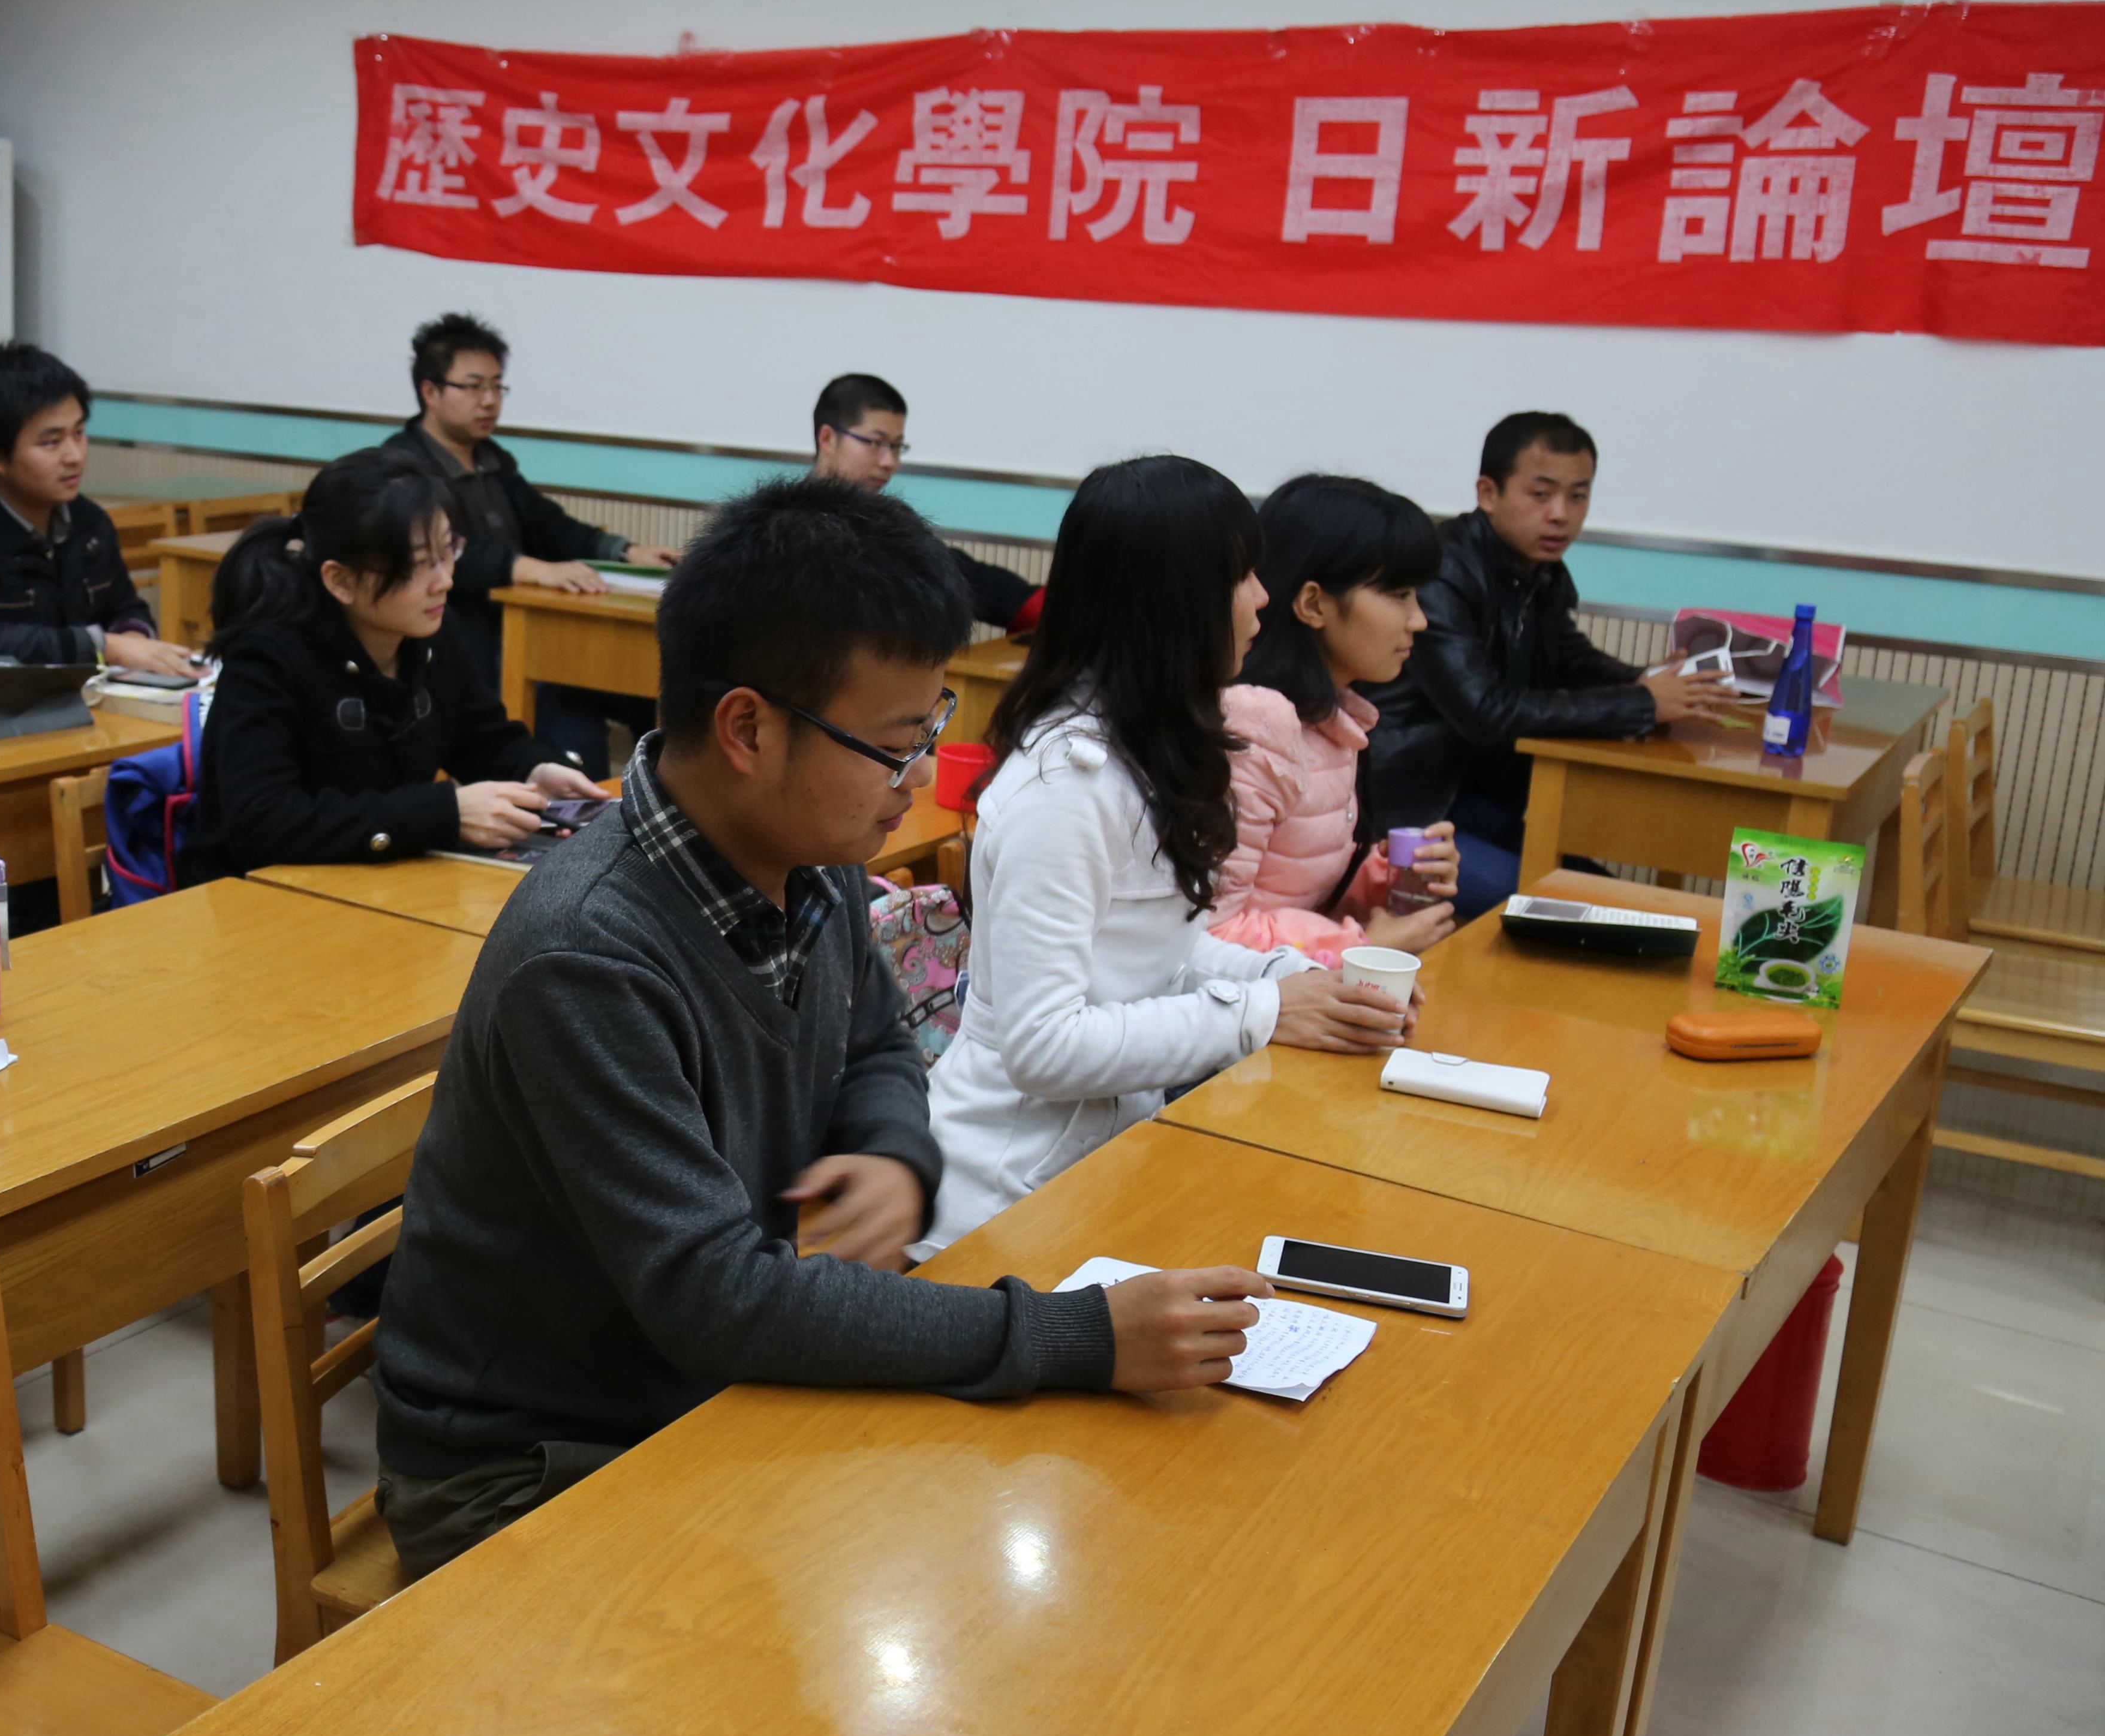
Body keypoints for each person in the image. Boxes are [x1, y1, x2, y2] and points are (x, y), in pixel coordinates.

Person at [369, 475, 1275, 1579]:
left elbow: (881, 1045)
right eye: (897, 744)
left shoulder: (809, 857)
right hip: (530, 1463)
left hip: (698, 1388)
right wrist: (1077, 1335)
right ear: (749, 729)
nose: (919, 779)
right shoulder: (587, 957)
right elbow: (720, 1301)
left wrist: (890, 1151)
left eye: (933, 727)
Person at [921, 456, 1418, 1250]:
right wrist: (1262, 1013)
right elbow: (1043, 1049)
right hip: (1001, 1209)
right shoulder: (1065, 789)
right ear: (1175, 600)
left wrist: (1300, 984)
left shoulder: (1144, 745)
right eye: (1242, 576)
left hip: (1100, 1174)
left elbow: (1161, 957)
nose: (1262, 598)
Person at [1358, 412, 1733, 916]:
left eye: (1578, 496)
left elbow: (1568, 655)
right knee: (1579, 912)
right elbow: (1485, 711)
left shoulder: (1538, 569)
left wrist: (1650, 681)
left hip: (1473, 804)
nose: (1561, 514)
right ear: (1489, 493)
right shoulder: (1441, 571)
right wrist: (1643, 703)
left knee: (1619, 901)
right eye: (1541, 494)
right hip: (1406, 814)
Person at [185, 449, 603, 884]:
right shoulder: (268, 659)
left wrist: (534, 770)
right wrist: (445, 814)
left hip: (376, 879)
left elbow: (481, 738)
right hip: (254, 894)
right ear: (340, 580)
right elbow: (263, 822)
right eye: (419, 564)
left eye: (448, 550)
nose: (445, 580)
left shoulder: (431, 631)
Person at [1213, 474, 1462, 967]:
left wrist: (1387, 879)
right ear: (1314, 604)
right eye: (1399, 594)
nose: (1418, 620)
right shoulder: (1256, 728)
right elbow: (1209, 937)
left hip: (1293, 994)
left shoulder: (1331, 720)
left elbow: (1299, 893)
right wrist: (1361, 949)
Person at [386, 312, 669, 692]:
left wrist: (626, 552)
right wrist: (527, 568)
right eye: (473, 387)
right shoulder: (400, 467)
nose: (489, 401)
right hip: (455, 639)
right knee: (573, 712)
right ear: (431, 393)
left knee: (639, 682)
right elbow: (443, 553)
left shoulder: (493, 458)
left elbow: (548, 525)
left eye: (497, 387)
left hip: (522, 626)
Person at [0, 339, 190, 674]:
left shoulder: (89, 523)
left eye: (79, 434)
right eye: (51, 443)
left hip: (84, 699)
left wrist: (133, 637)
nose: (74, 456)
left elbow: (125, 606)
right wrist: (102, 647)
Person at [807, 371, 1040, 634]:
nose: (889, 462)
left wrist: (1035, 606)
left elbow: (958, 575)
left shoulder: (892, 520)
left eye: (897, 446)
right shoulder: (789, 527)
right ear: (827, 439)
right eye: (875, 442)